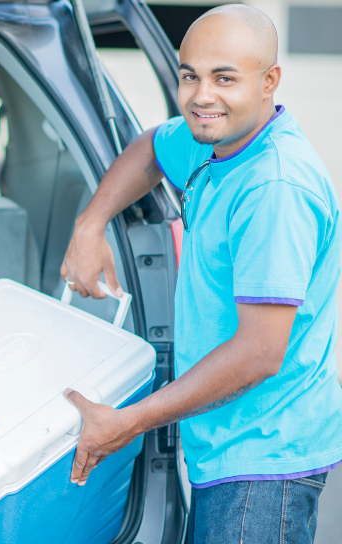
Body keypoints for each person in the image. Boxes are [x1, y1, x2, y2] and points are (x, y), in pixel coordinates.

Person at [60, 5, 342, 543]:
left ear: (269, 81)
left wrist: (129, 421)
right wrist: (90, 224)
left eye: (224, 78)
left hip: (265, 464)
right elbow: (150, 145)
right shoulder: (215, 140)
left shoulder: (274, 188)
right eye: (189, 75)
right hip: (228, 448)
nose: (201, 95)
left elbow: (259, 352)